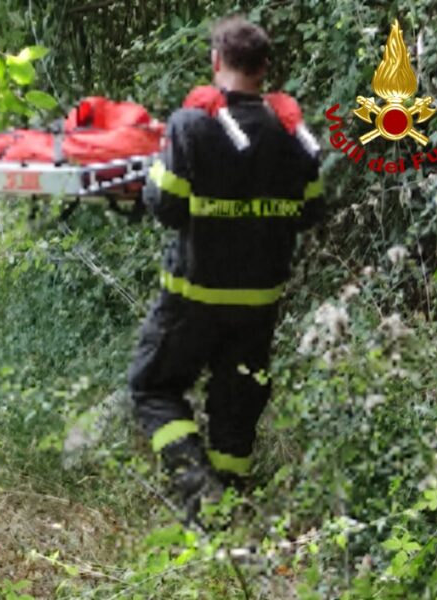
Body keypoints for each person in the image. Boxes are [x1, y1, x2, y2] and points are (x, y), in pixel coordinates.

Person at [128, 16, 324, 522]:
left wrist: (158, 170)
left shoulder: (192, 125)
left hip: (193, 299)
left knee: (153, 388)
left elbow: (164, 205)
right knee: (236, 407)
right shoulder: (293, 135)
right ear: (265, 68)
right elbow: (312, 210)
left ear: (217, 63)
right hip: (258, 305)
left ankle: (197, 484)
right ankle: (227, 513)